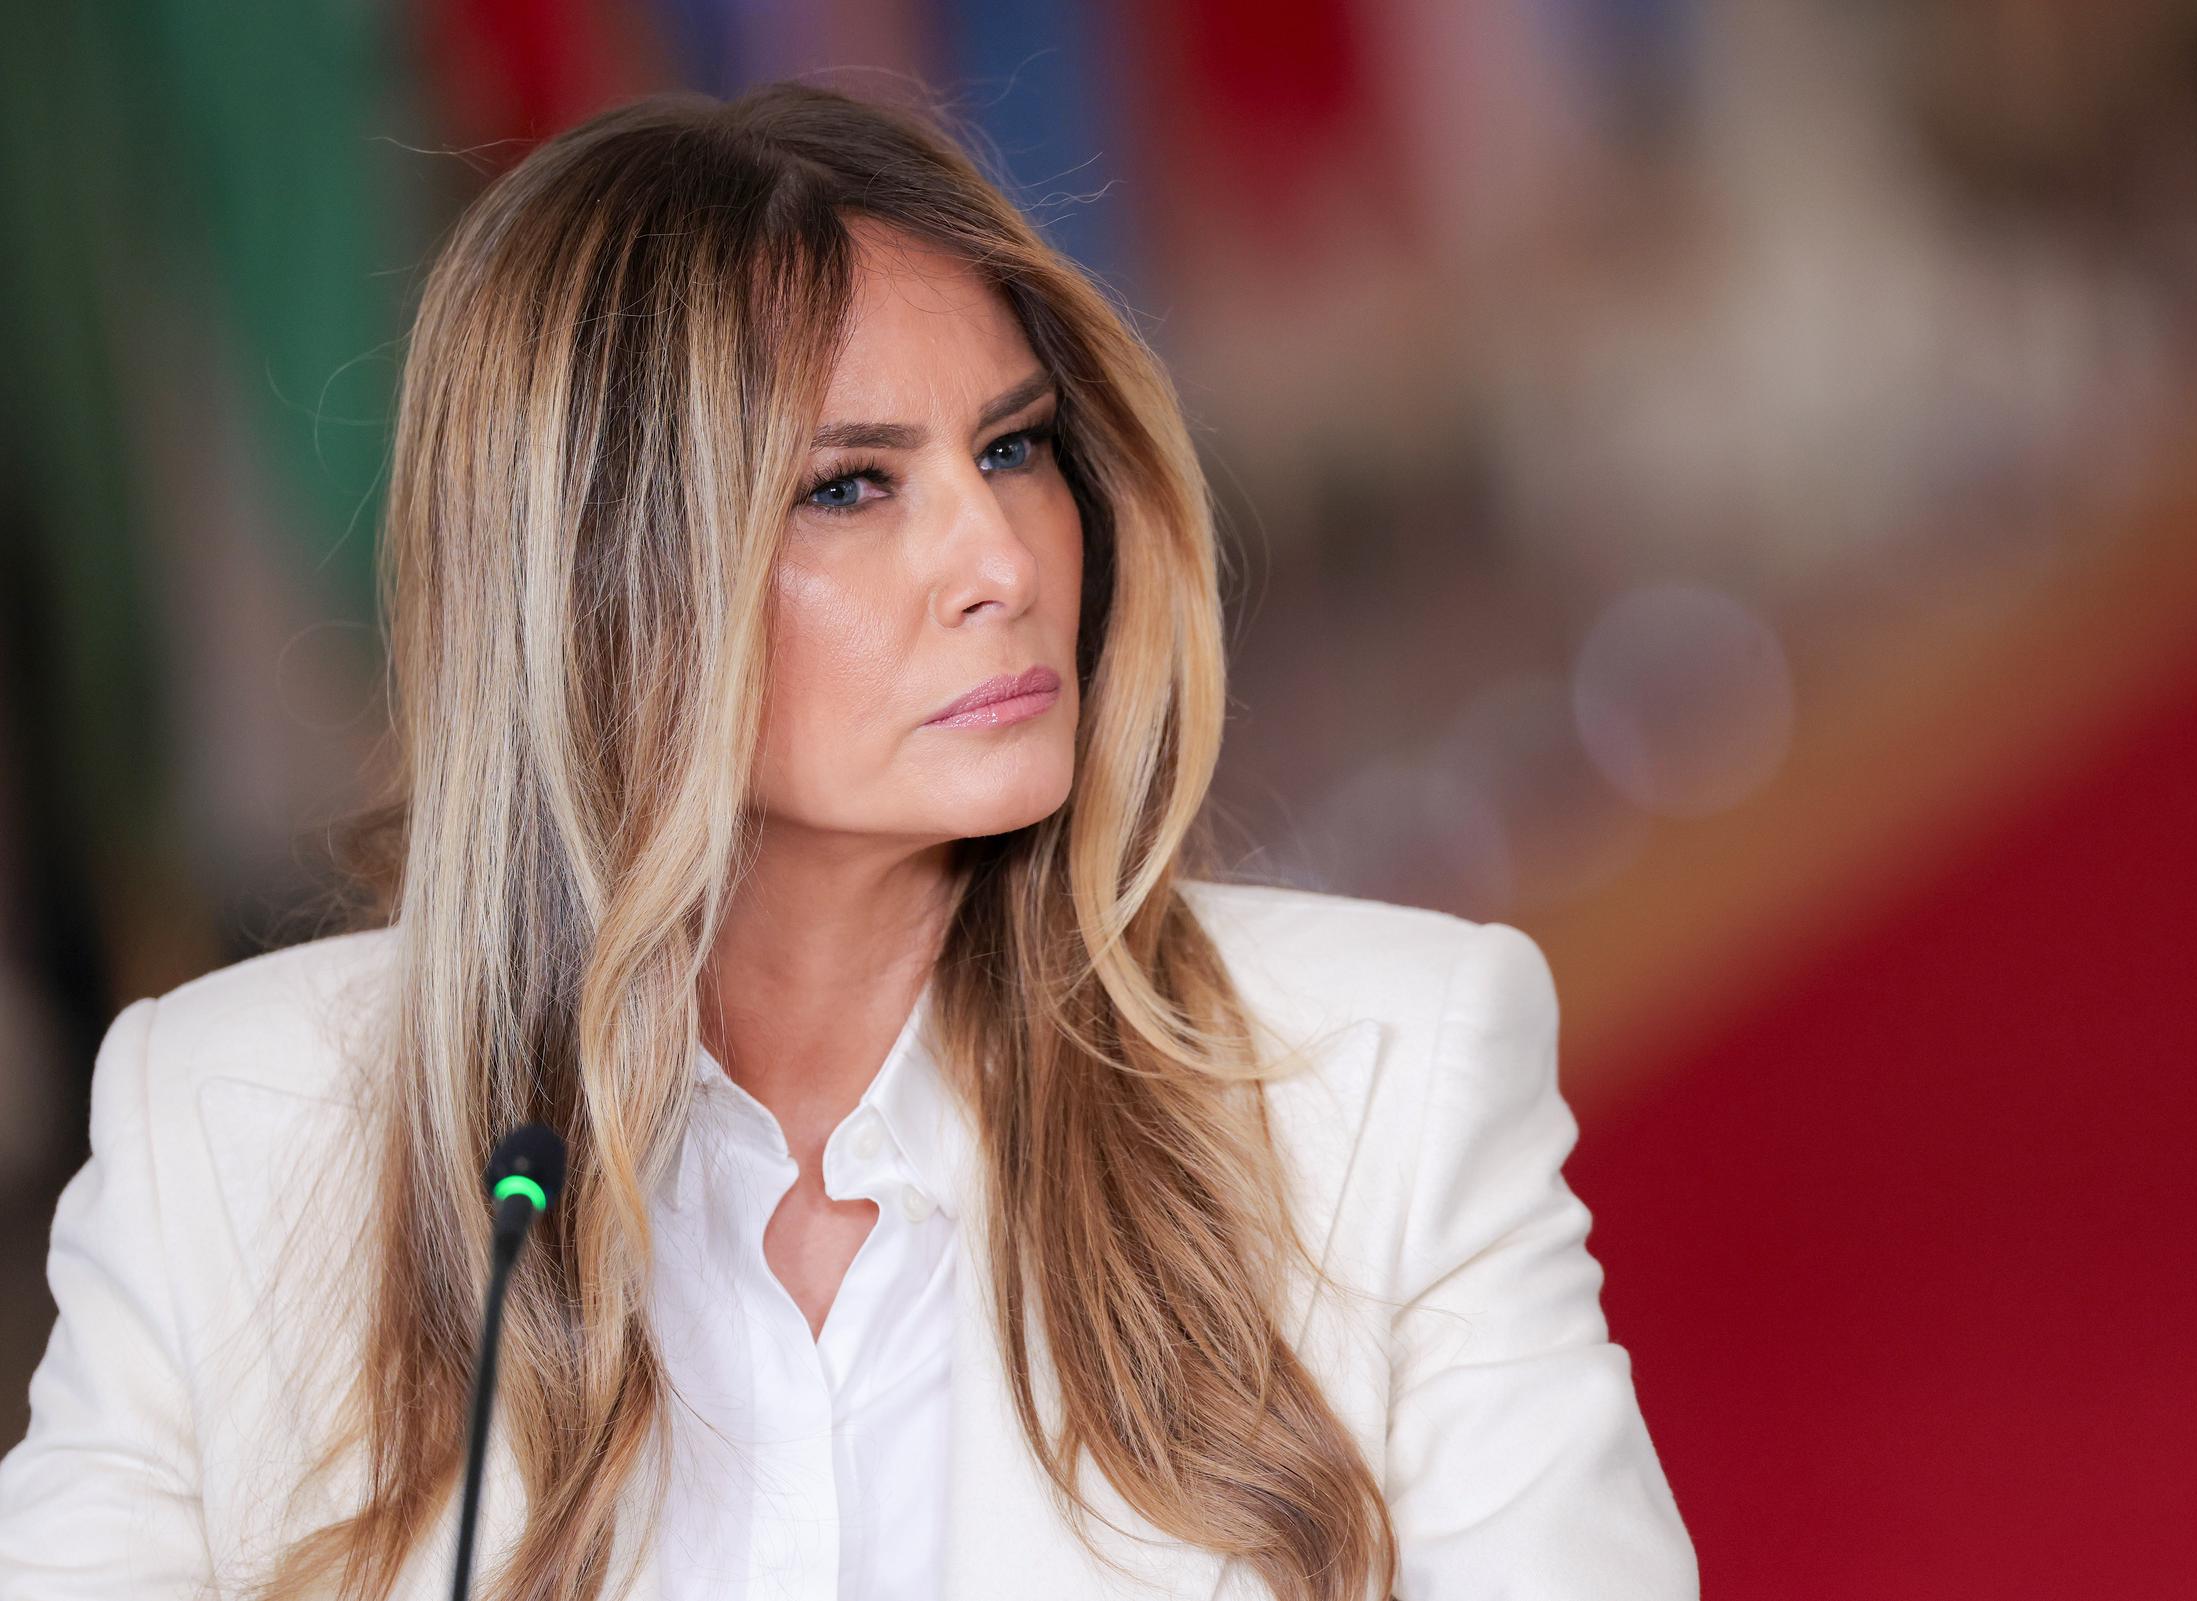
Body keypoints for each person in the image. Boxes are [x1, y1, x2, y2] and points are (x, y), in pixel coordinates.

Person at [0, 81, 1697, 1601]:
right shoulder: (218, 1133)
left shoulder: (1381, 1081)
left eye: (1015, 448)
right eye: (850, 486)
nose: (1005, 559)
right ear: (599, 590)